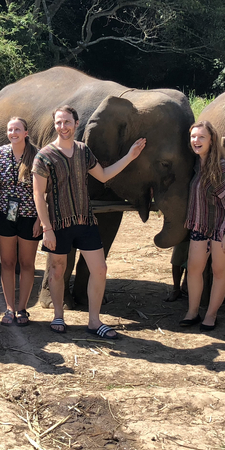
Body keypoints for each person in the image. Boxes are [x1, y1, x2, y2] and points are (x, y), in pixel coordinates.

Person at [32, 105, 146, 338]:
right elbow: (38, 195)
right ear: (55, 125)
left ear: (76, 123)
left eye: (67, 122)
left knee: (100, 269)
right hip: (58, 223)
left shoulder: (84, 151)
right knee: (57, 270)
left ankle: (94, 321)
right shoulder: (44, 156)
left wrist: (129, 157)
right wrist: (47, 228)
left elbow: (103, 175)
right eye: (59, 122)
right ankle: (58, 316)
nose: (63, 127)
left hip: (85, 220)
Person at [179, 121, 225, 332]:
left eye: (201, 137)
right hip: (202, 224)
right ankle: (192, 311)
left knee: (219, 271)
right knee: (194, 269)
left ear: (212, 140)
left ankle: (211, 315)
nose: (196, 141)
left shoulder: (223, 166)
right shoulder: (199, 164)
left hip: (224, 226)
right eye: (193, 137)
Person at [0, 117, 42, 326]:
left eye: (17, 129)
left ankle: (22, 309)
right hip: (5, 214)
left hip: (30, 216)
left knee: (27, 264)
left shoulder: (37, 156)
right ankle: (9, 308)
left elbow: (44, 190)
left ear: (26, 133)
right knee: (8, 263)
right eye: (10, 129)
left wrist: (41, 218)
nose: (13, 133)